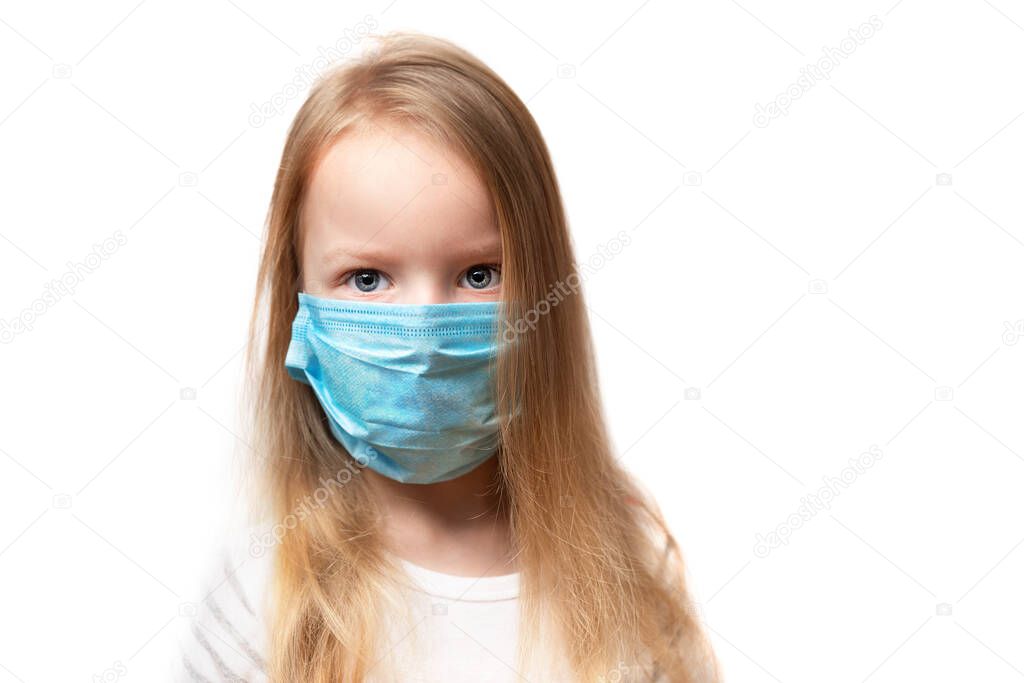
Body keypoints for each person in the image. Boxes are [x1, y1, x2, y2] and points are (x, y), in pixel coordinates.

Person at [174, 30, 719, 682]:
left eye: (480, 274)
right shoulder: (265, 588)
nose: (426, 334)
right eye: (369, 278)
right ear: (299, 297)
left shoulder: (625, 565)